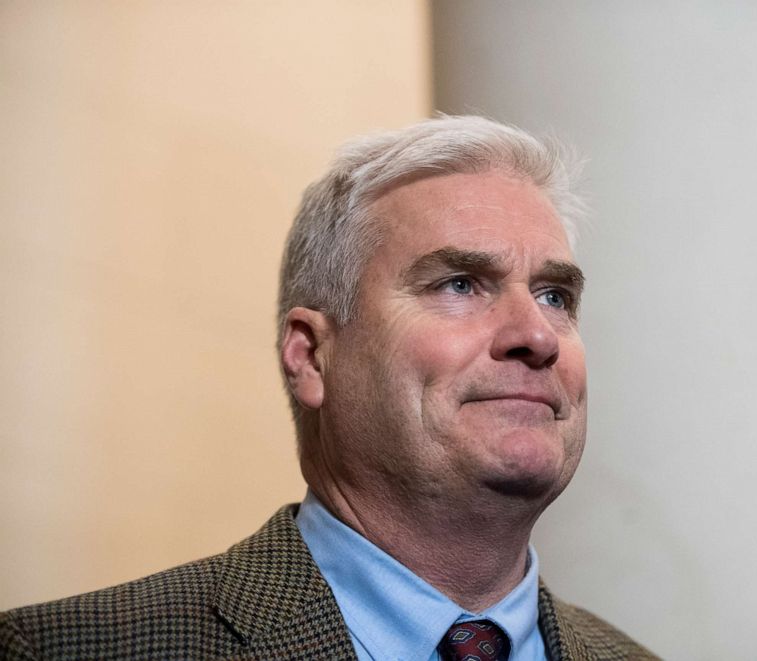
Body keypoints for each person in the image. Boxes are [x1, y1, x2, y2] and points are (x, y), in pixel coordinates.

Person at [0, 116, 660, 660]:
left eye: (554, 296)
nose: (536, 335)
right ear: (312, 356)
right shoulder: (61, 650)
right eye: (459, 284)